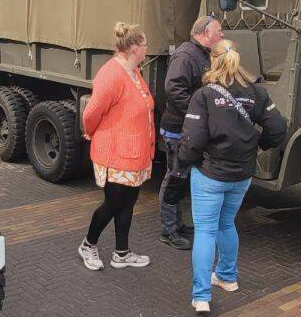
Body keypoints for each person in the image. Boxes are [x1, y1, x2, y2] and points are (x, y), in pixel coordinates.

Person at [176, 40, 287, 315]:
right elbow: (278, 127)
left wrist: (184, 162)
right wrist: (258, 146)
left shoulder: (203, 95)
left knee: (205, 231)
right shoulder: (257, 92)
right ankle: (227, 278)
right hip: (243, 174)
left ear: (213, 61)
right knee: (227, 224)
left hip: (210, 174)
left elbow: (193, 140)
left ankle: (201, 296)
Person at [78, 23, 156, 271]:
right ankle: (88, 245)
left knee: (128, 202)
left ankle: (121, 253)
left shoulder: (134, 72)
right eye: (145, 45)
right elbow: (91, 114)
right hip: (116, 153)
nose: (147, 49)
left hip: (135, 153)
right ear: (134, 48)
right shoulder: (111, 75)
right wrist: (91, 133)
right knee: (113, 203)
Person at [158, 15, 224, 250]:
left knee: (182, 177)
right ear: (206, 33)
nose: (222, 35)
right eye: (219, 31)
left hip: (188, 129)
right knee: (174, 178)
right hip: (178, 130)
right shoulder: (186, 55)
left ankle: (177, 223)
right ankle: (168, 230)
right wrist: (198, 113)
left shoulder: (202, 54)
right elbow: (172, 89)